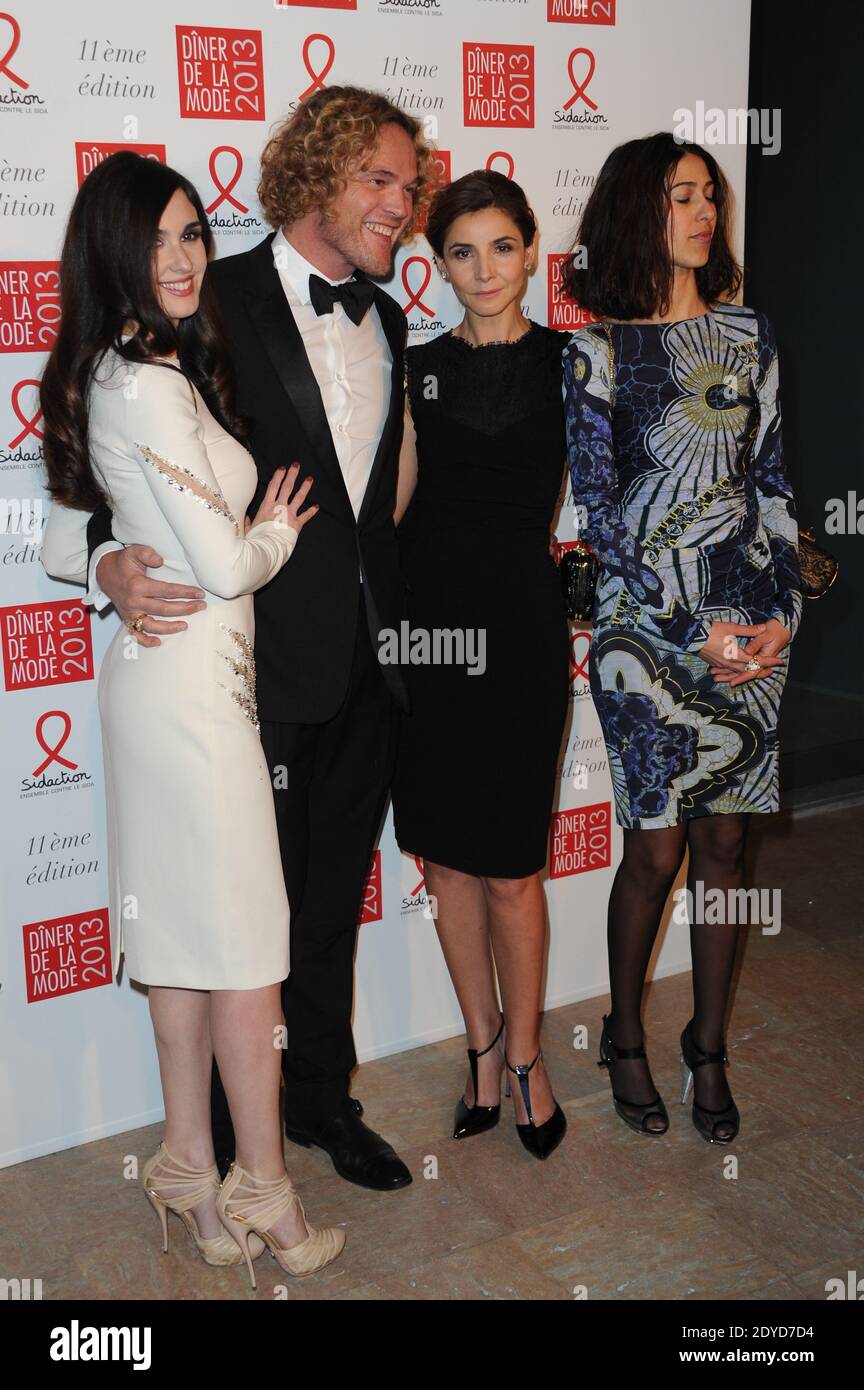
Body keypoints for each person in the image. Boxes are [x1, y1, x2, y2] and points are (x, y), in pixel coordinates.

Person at [81, 88, 437, 1191]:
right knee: (249, 917)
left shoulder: (388, 314)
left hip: (371, 663)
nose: (400, 202)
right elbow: (111, 454)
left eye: (408, 184)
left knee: (329, 903)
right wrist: (102, 562)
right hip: (246, 673)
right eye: (379, 178)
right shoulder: (208, 297)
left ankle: (322, 1101)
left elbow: (378, 497)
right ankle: (241, 1143)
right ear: (320, 176)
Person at [40, 151, 344, 1284]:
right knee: (248, 946)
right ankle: (259, 1181)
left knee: (184, 945)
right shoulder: (142, 378)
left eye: (192, 234)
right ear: (115, 253)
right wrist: (270, 528)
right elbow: (209, 559)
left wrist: (141, 543)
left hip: (171, 689)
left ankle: (186, 1159)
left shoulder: (151, 364)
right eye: (157, 239)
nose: (180, 257)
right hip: (187, 695)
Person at [561, 133, 802, 1143]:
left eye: (709, 195)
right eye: (679, 197)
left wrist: (781, 613)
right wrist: (674, 623)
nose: (703, 213)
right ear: (635, 213)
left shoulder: (749, 337)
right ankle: (624, 1034)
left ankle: (708, 1046)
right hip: (641, 633)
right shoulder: (594, 351)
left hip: (748, 624)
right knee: (655, 848)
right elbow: (598, 510)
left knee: (726, 842)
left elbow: (777, 486)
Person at [392, 171, 570, 1160]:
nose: (484, 268)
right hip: (429, 632)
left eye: (501, 246)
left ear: (532, 251)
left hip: (524, 628)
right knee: (447, 858)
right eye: (462, 251)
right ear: (440, 263)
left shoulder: (570, 362)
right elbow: (397, 506)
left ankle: (533, 1058)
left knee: (511, 868)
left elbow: (618, 509)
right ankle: (481, 1047)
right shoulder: (416, 368)